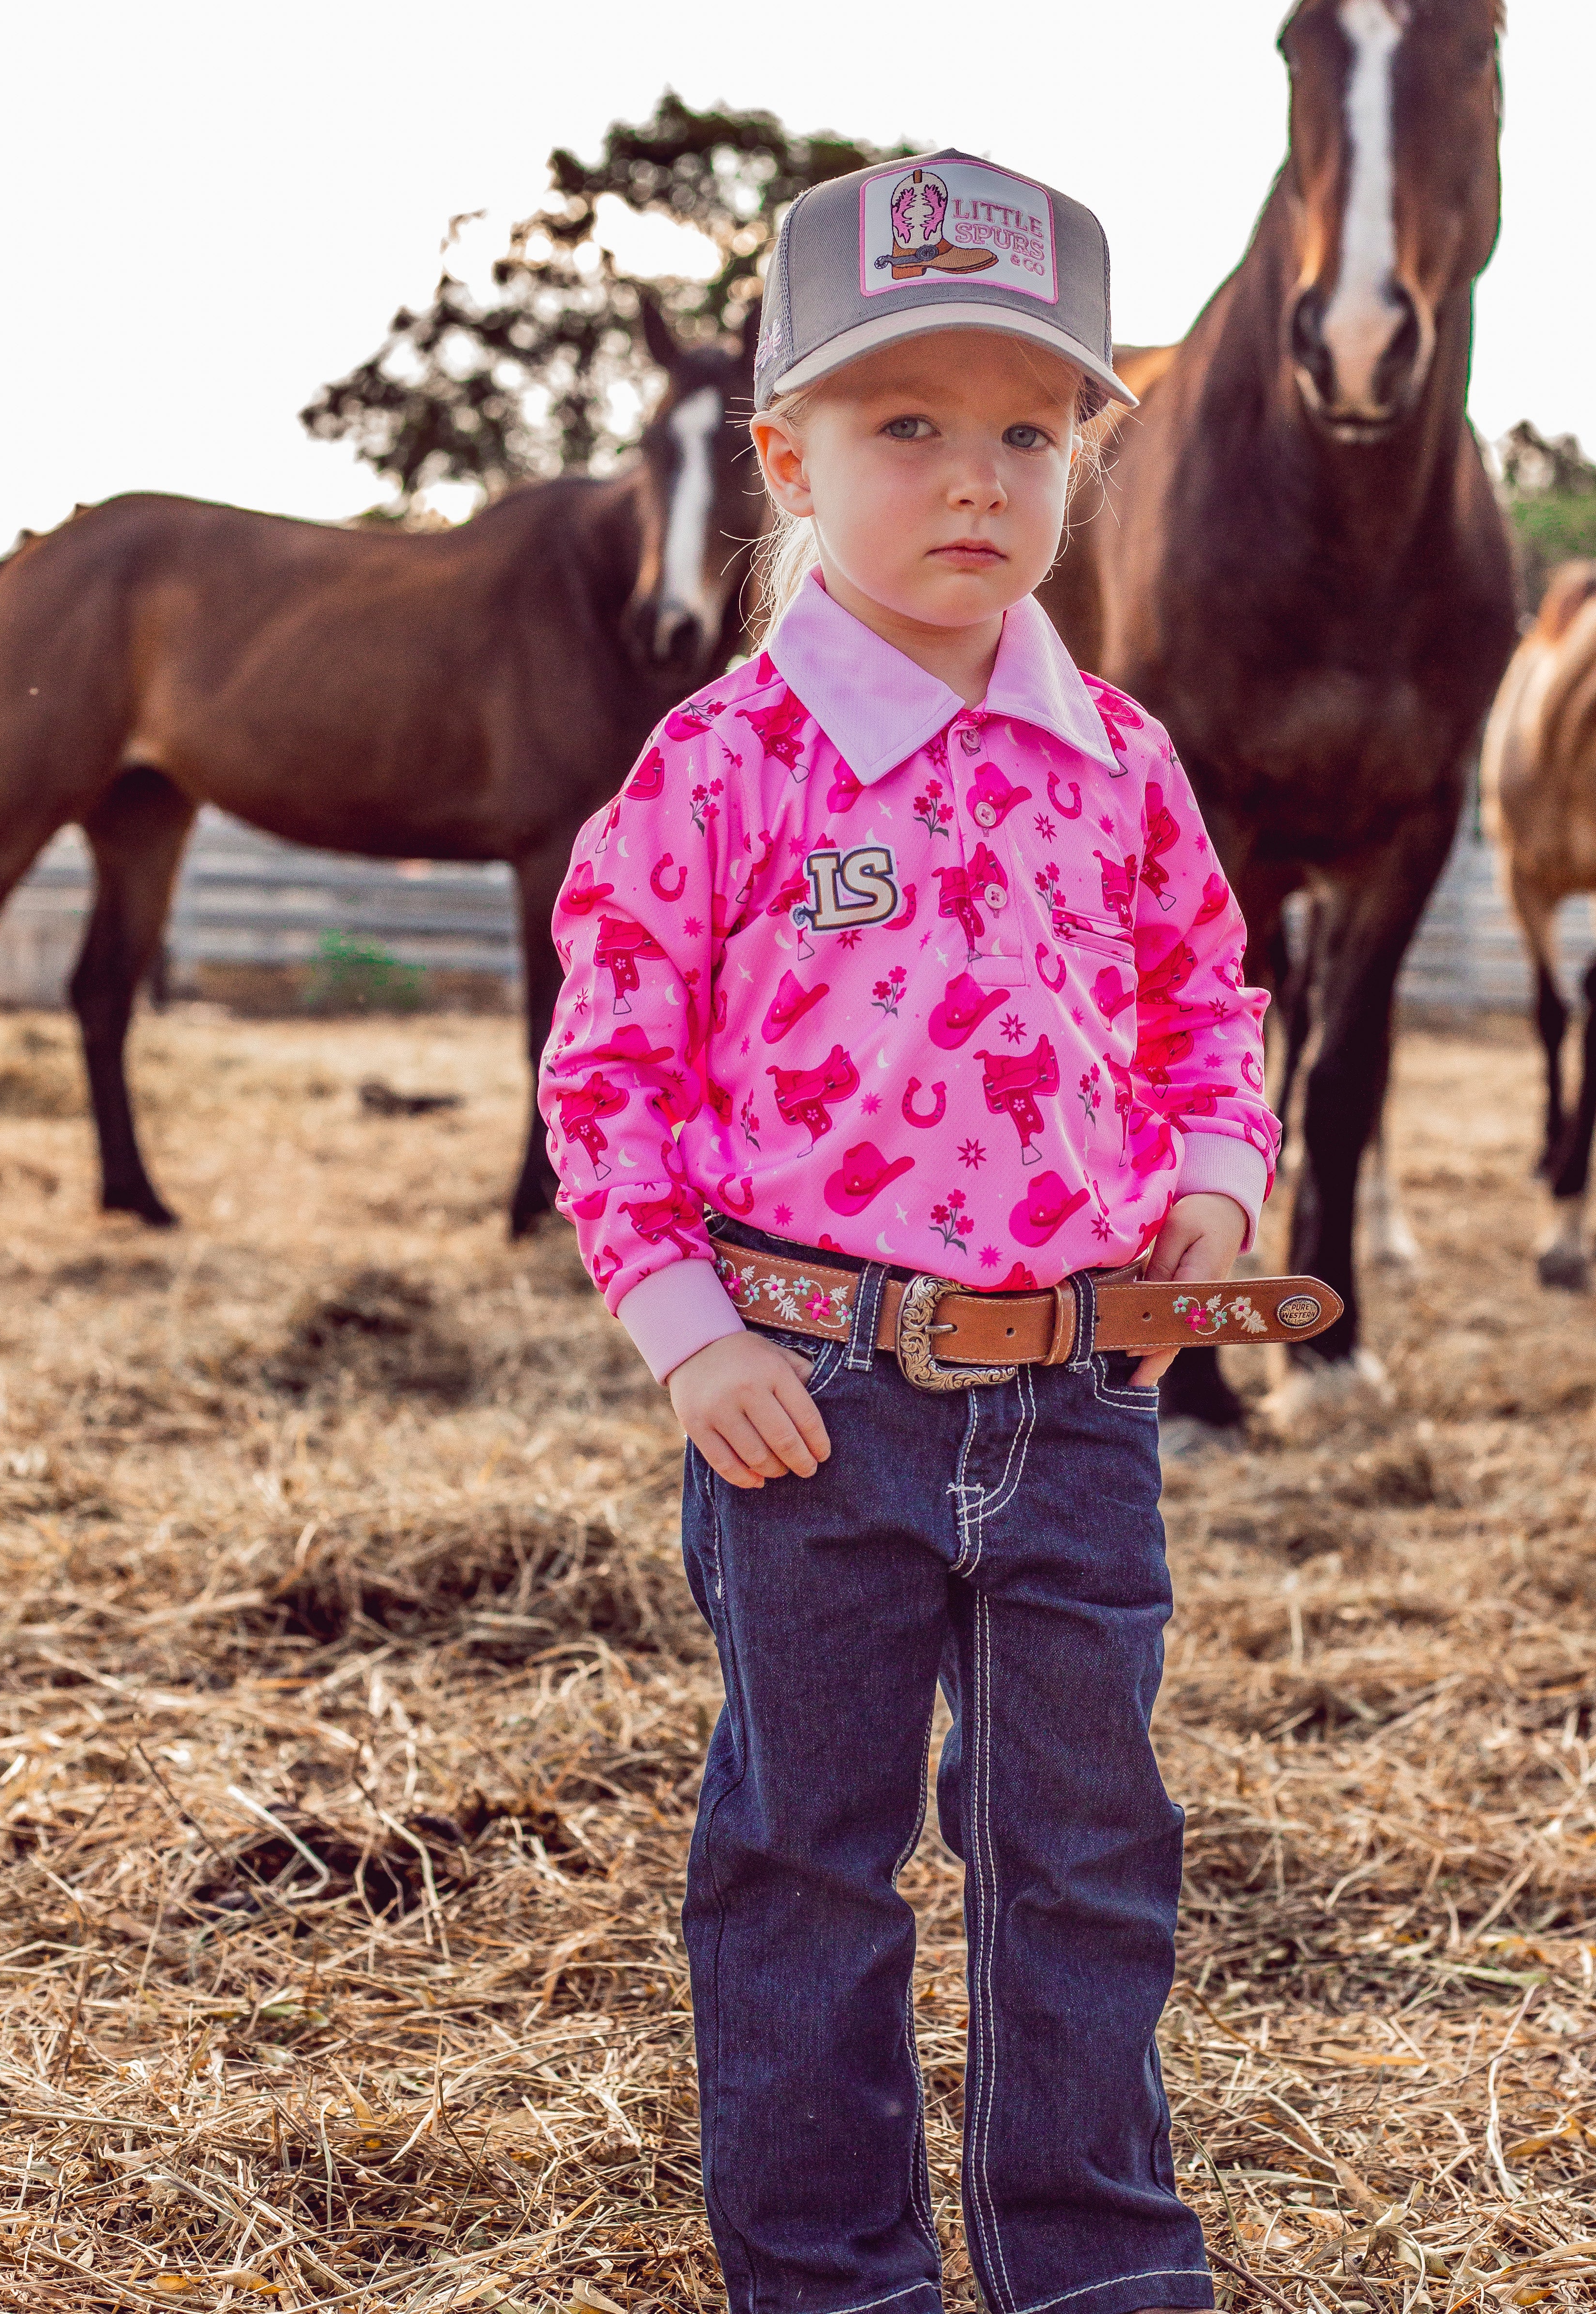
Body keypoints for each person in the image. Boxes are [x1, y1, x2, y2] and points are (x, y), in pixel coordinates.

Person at [538, 153, 1291, 2314]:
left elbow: (1201, 1010)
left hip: (1077, 1392)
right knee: (805, 1851)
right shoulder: (715, 769)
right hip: (811, 1401)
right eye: (906, 426)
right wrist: (692, 1336)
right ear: (782, 451)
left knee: (1084, 1850)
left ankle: (1094, 2265)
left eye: (1028, 432)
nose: (977, 480)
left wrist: (1217, 1189)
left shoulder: (1118, 761)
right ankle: (830, 2274)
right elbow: (608, 1075)